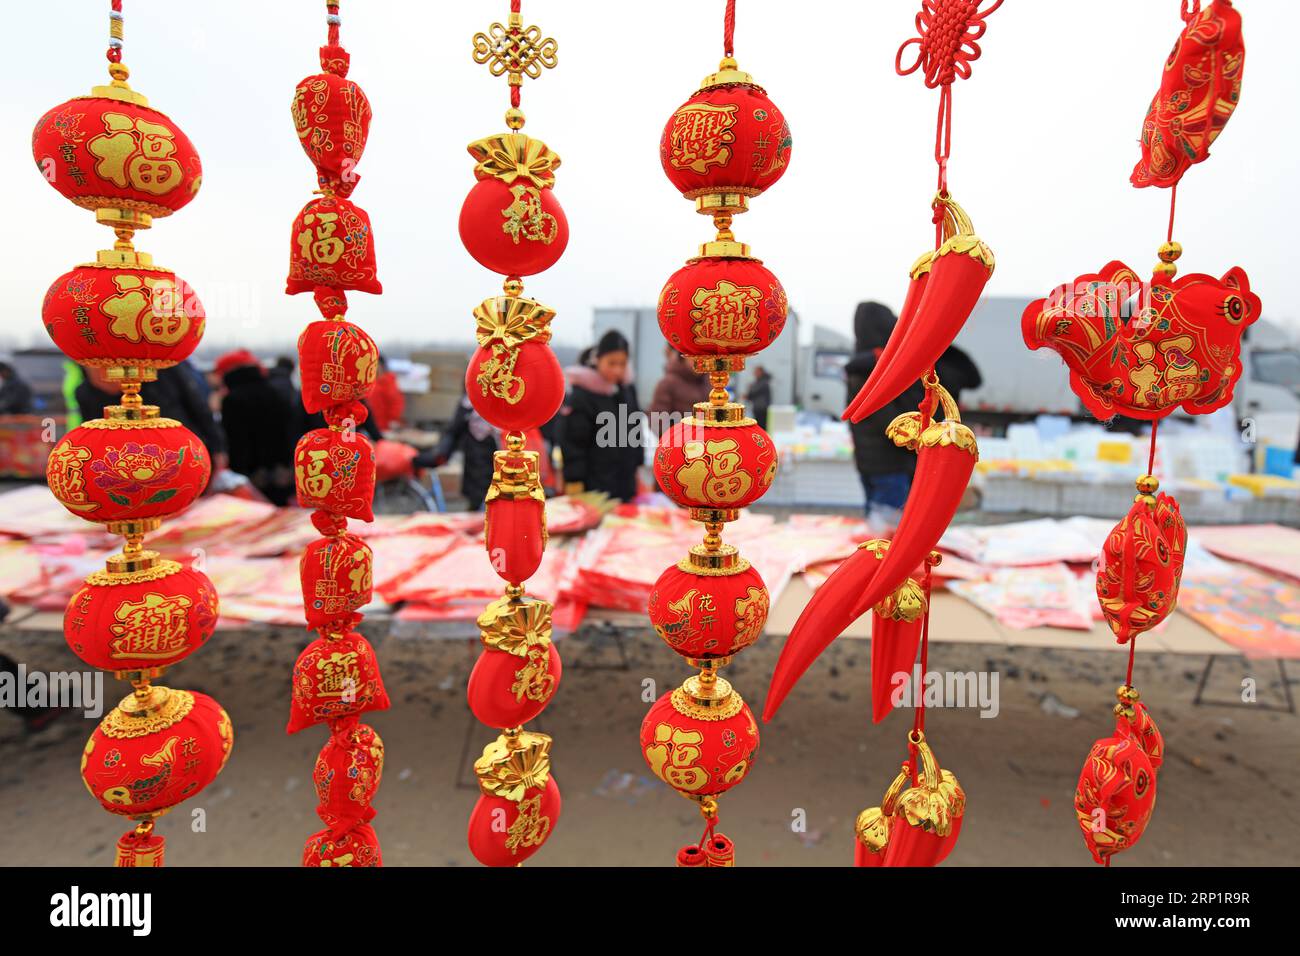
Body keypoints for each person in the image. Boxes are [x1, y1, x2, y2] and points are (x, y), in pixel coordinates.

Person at [845, 301, 924, 519]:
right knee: (888, 537)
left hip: (869, 462)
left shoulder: (859, 365)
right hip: (889, 464)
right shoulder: (874, 368)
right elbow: (889, 422)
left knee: (877, 530)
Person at [76, 361, 227, 469]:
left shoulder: (163, 368)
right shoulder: (85, 393)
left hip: (184, 456)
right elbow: (93, 439)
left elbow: (198, 407)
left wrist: (218, 447)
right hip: (127, 466)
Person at [561, 330, 642, 502]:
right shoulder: (582, 394)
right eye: (611, 363)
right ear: (598, 360)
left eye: (622, 363)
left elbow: (636, 430)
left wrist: (637, 465)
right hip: (595, 484)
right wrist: (574, 479)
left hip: (626, 482)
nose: (617, 370)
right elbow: (573, 441)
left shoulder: (627, 390)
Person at [216, 350, 297, 506]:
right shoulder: (275, 391)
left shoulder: (232, 399)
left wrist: (237, 470)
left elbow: (236, 439)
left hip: (251, 471)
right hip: (282, 468)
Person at [417, 390, 497, 510]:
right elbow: (454, 431)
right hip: (479, 466)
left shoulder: (472, 402)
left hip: (486, 465)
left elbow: (454, 430)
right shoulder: (472, 402)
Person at [648, 347, 709, 432]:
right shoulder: (667, 384)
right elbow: (657, 424)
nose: (699, 361)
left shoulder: (709, 381)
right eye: (694, 356)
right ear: (683, 356)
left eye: (703, 356)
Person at [367, 354, 405, 434]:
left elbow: (395, 404)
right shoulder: (368, 384)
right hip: (372, 426)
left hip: (385, 427)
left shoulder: (388, 382)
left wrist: (393, 420)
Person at [745, 365, 773, 430]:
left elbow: (753, 392)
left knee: (761, 427)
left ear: (761, 372)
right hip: (759, 407)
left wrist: (750, 390)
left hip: (761, 408)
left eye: (756, 371)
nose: (754, 373)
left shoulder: (763, 382)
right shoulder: (760, 381)